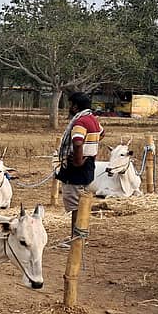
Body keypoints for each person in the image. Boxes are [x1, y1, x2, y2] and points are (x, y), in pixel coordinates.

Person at [55, 92, 104, 246]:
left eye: (71, 104)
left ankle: (76, 239)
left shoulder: (80, 123)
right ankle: (78, 237)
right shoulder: (92, 119)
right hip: (88, 165)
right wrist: (89, 150)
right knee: (81, 201)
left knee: (76, 204)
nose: (69, 107)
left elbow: (77, 142)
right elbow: (102, 133)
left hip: (77, 169)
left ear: (75, 106)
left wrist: (77, 160)